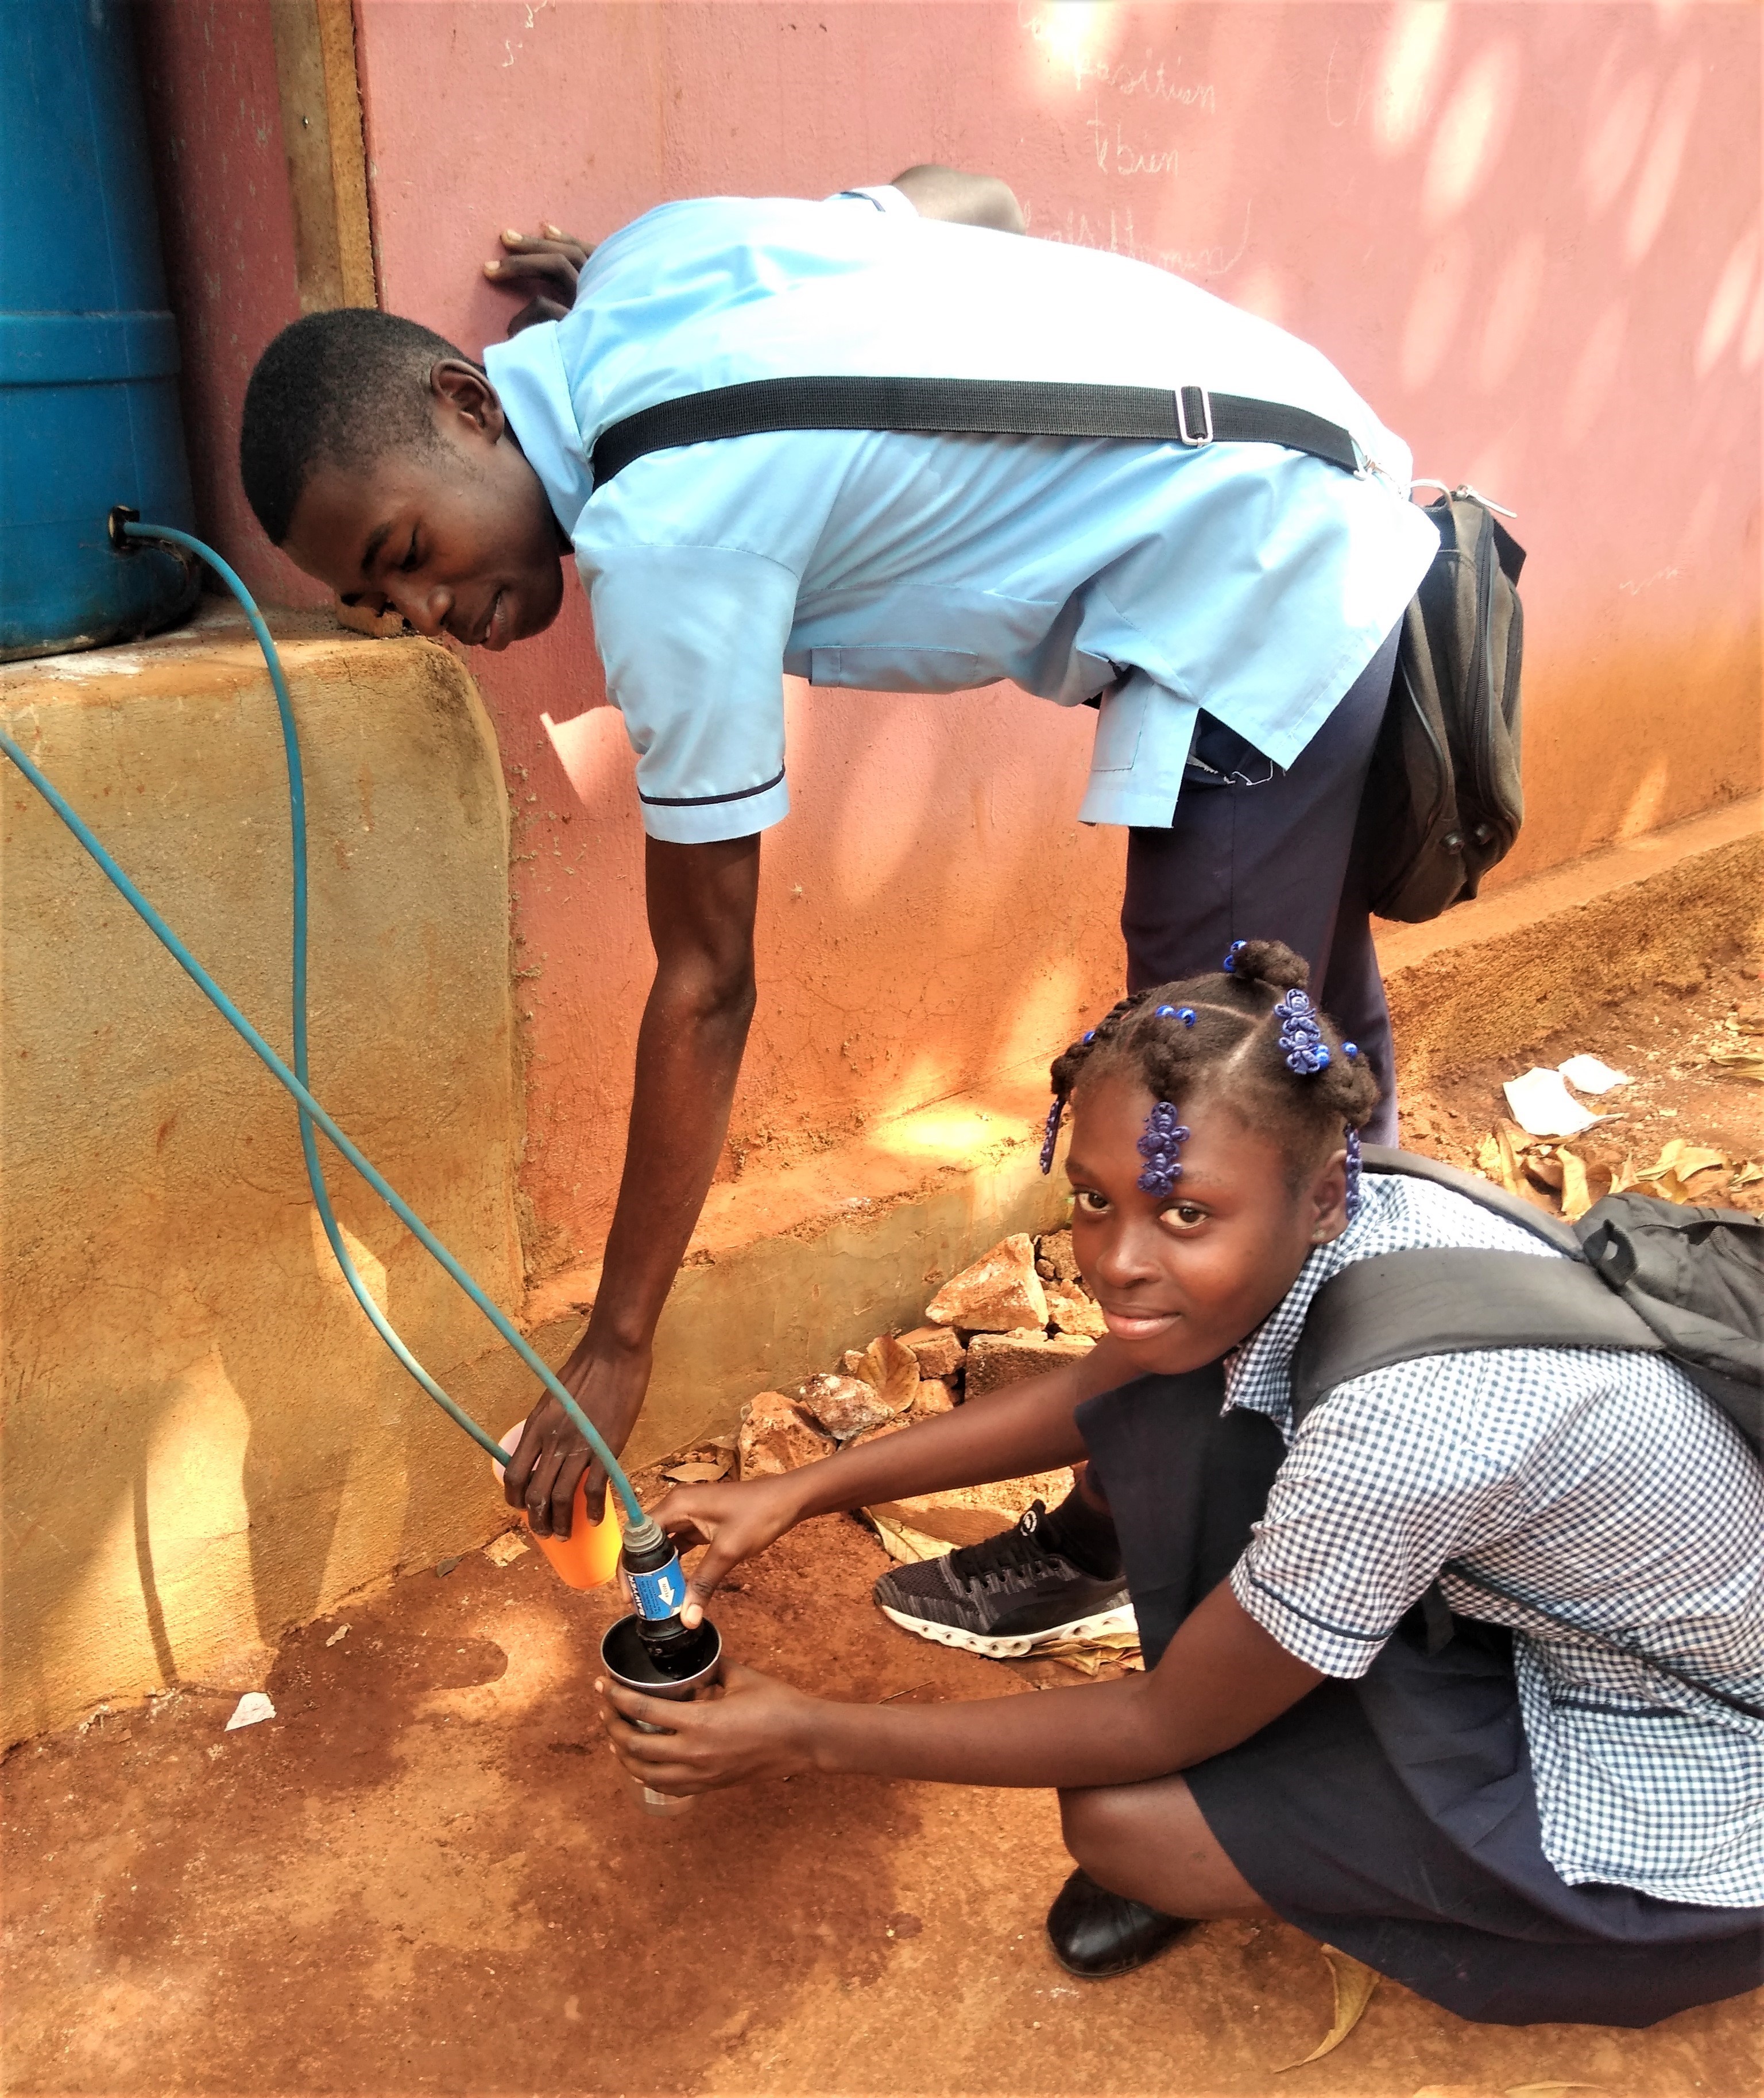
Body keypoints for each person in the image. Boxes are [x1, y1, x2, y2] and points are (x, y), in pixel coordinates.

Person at [237, 165, 1440, 1642]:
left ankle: (1160, 1560)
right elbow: (979, 201)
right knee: (1319, 1062)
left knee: (1187, 1124)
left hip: (1262, 586)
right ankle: (1429, 1412)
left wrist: (617, 1350)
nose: (431, 615)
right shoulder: (662, 263)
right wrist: (619, 285)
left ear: (470, 404)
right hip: (1313, 472)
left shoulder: (663, 543)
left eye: (410, 554)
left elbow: (708, 981)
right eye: (383, 603)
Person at [595, 940, 1764, 2028]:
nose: (1114, 1259)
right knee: (1173, 1383)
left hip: (1690, 1749)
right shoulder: (1357, 1194)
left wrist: (804, 1734)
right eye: (1095, 1198)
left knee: (1124, 1825)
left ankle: (1639, 1933)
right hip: (1573, 1619)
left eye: (1183, 1212)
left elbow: (1160, 1721)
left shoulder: (1394, 1432)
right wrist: (803, 1490)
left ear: (1317, 1201)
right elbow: (1112, 1379)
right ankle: (1290, 1717)